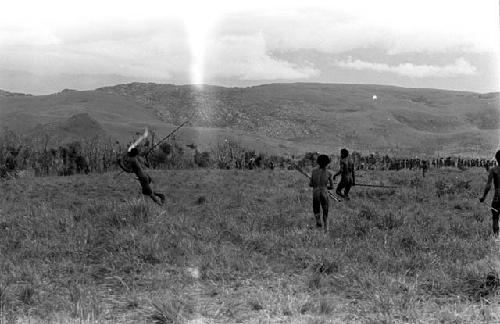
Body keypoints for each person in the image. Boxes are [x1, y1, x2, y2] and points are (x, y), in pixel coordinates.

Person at [309, 154, 334, 232]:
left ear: (318, 162)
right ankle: (326, 228)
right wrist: (326, 187)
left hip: (316, 192)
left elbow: (310, 184)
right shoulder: (329, 173)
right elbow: (332, 187)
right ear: (327, 163)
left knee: (316, 208)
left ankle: (318, 220)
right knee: (325, 210)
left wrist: (315, 183)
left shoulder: (313, 171)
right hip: (324, 192)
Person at [479, 150, 500, 239]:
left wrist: (483, 197)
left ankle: (496, 238)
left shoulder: (493, 170)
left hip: (497, 197)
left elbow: (488, 185)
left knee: (495, 218)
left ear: (496, 159)